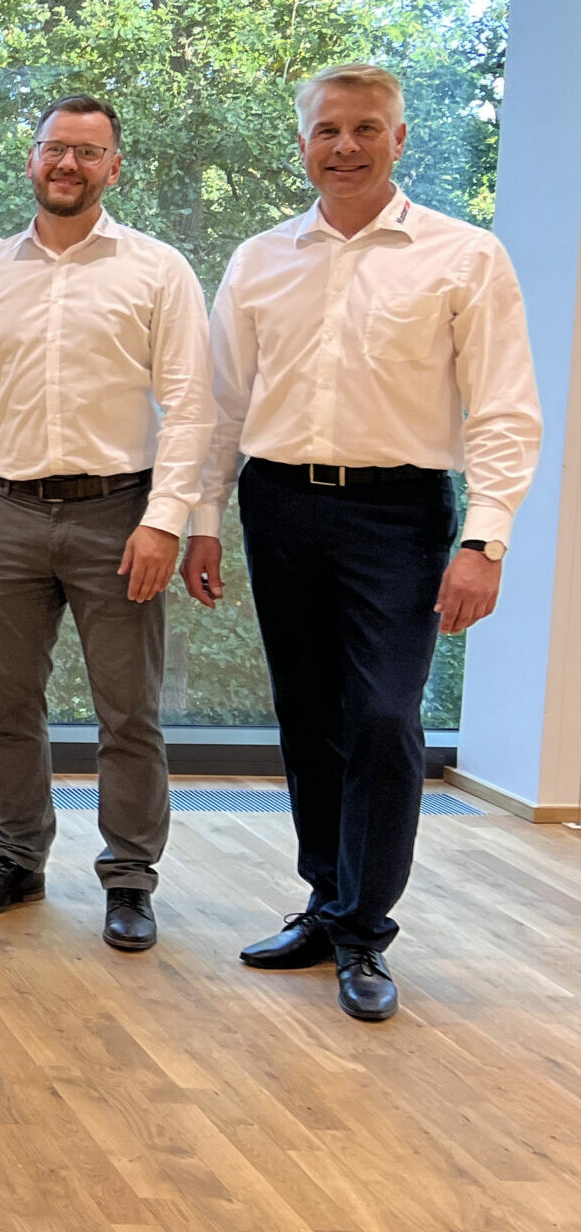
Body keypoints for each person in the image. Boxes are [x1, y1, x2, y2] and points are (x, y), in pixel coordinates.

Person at [182, 64, 540, 1021]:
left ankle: (364, 932)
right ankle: (327, 901)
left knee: (383, 716)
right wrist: (204, 519)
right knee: (308, 714)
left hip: (401, 513)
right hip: (278, 503)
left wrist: (486, 541)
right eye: (328, 130)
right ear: (303, 144)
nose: (346, 146)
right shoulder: (260, 258)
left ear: (399, 139)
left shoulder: (465, 256)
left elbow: (505, 410)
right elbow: (221, 406)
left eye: (366, 128)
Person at [0, 95, 211, 953]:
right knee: (10, 705)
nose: (68, 164)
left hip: (121, 514)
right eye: (55, 148)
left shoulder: (158, 270)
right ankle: (17, 858)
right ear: (32, 160)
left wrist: (166, 520)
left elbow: (192, 406)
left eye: (88, 151)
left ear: (113, 166)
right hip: (3, 511)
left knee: (129, 712)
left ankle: (129, 877)